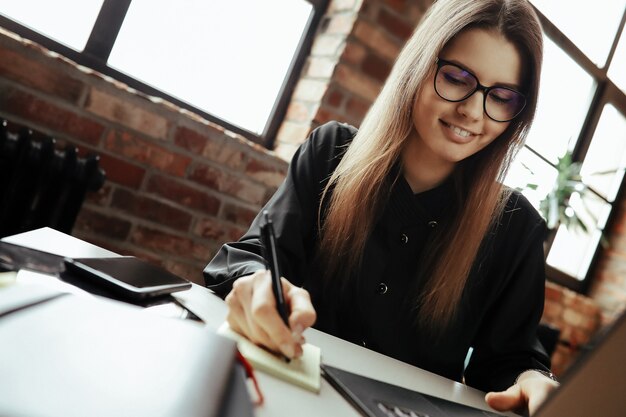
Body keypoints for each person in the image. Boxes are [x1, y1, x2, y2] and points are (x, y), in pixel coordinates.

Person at [204, 0, 559, 414]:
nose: (472, 111)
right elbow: (248, 260)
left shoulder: (515, 228)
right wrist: (257, 283)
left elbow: (510, 363)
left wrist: (533, 379)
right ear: (419, 67)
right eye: (457, 77)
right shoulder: (330, 153)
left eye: (501, 97)